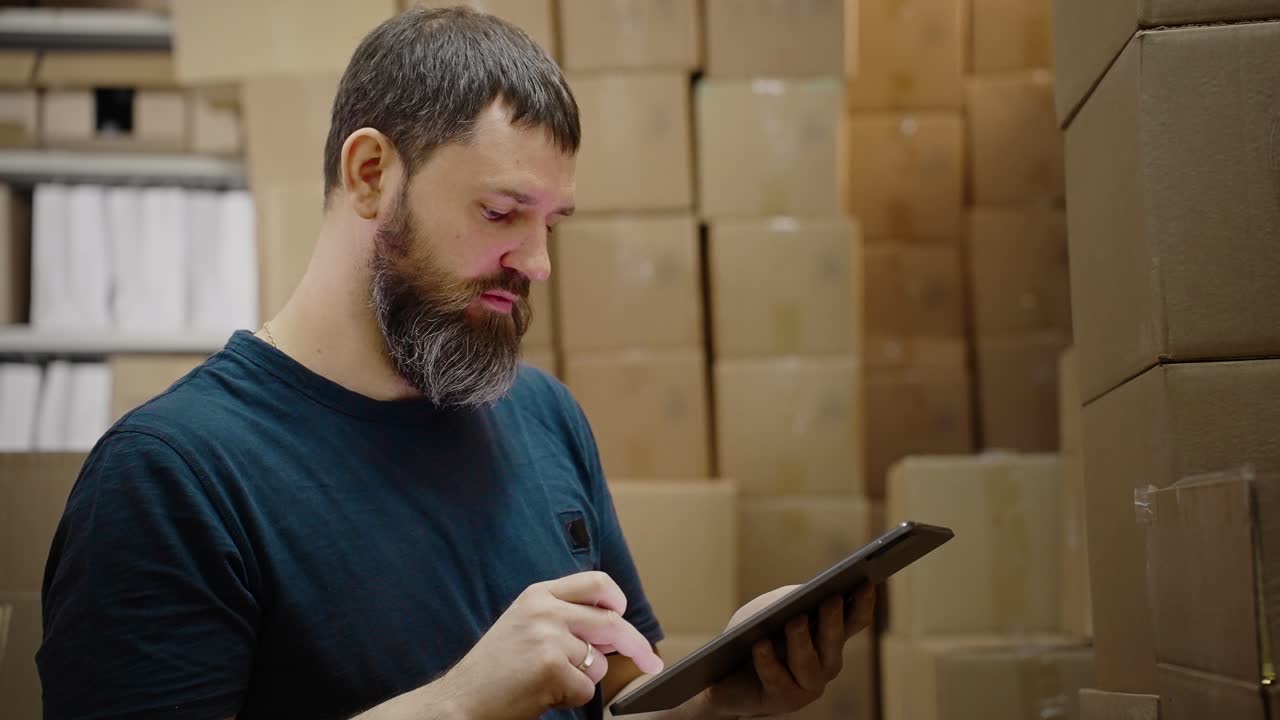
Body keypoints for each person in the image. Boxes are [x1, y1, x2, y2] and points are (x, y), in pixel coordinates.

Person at [36, 7, 874, 720]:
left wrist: (721, 694)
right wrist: (456, 703)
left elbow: (617, 701)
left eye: (553, 222)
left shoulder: (543, 416)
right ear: (370, 176)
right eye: (503, 211)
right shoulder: (170, 479)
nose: (538, 261)